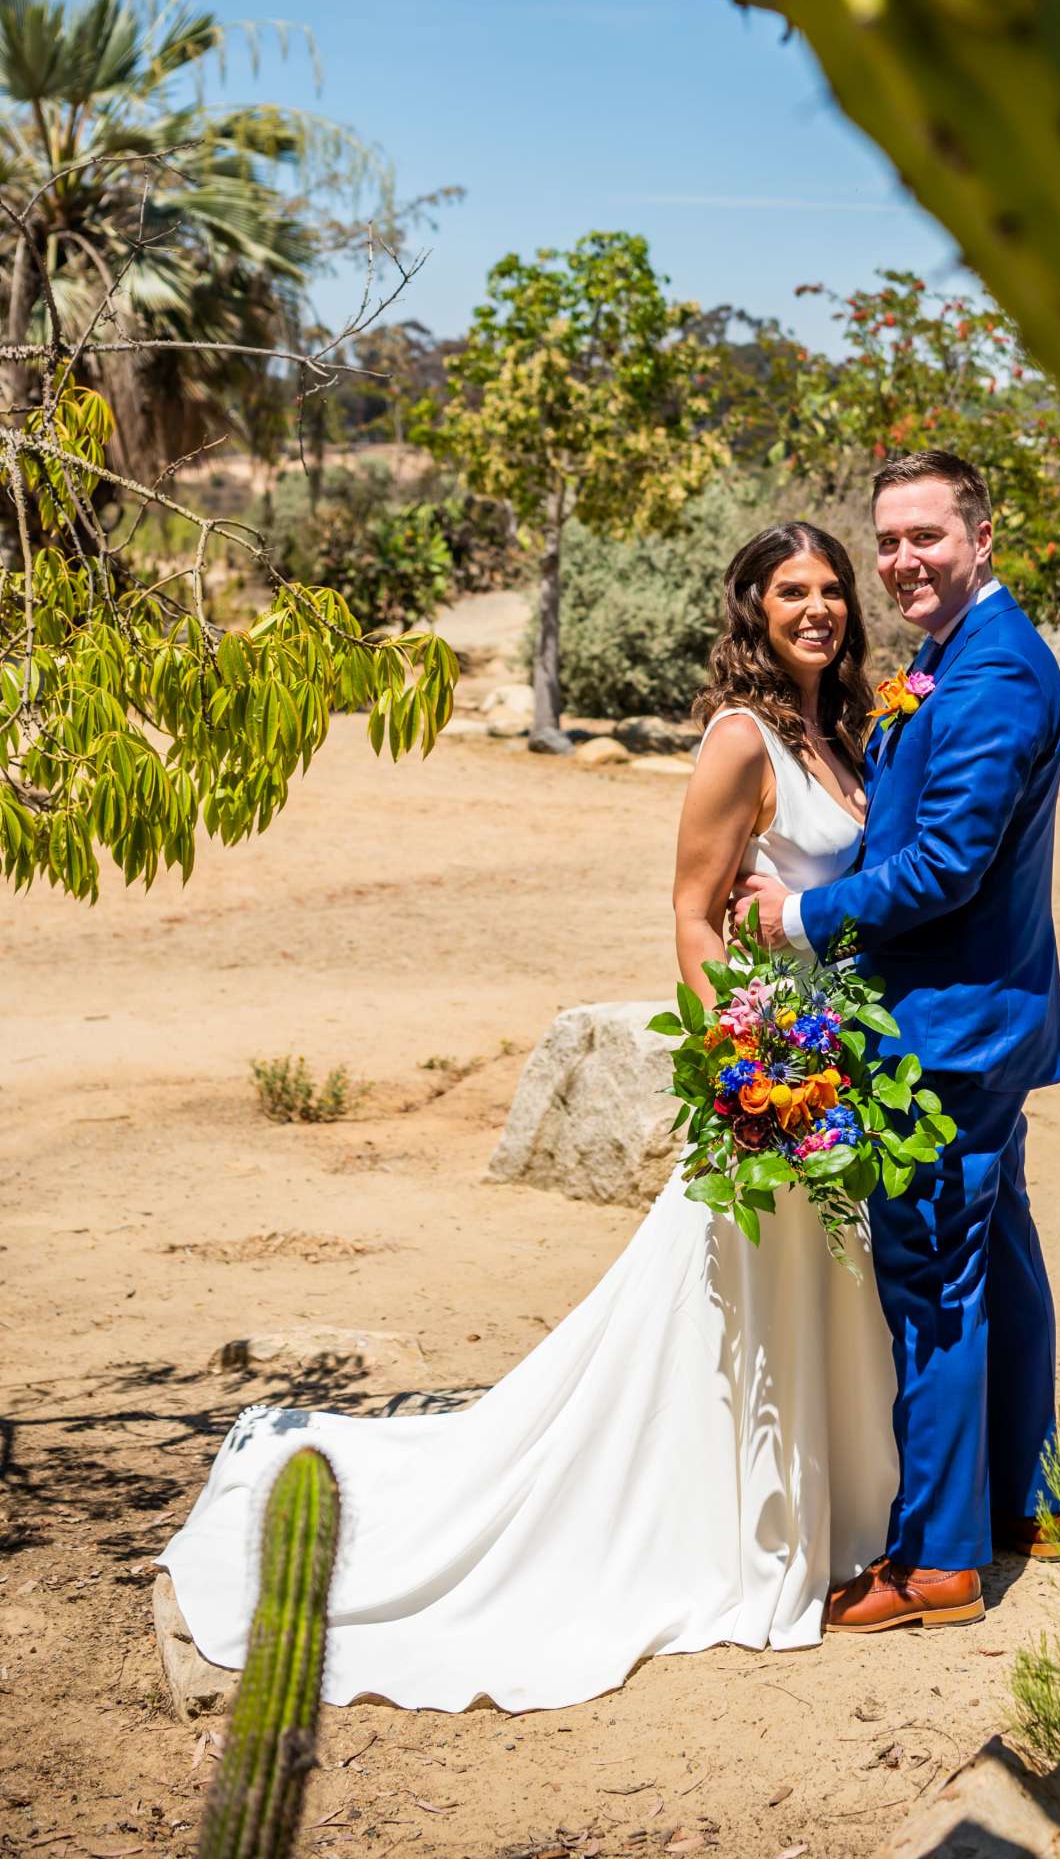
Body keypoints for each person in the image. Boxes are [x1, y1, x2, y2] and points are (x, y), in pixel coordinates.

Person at [153, 521, 901, 1711]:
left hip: (843, 1055)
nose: (816, 610)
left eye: (830, 592)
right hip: (776, 1066)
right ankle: (728, 1527)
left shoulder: (851, 733)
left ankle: (836, 1518)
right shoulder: (739, 741)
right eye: (791, 591)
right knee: (744, 1302)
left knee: (827, 1289)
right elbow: (693, 915)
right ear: (752, 605)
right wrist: (741, 1069)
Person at [734, 448, 1060, 1634]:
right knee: (1001, 1256)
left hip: (948, 1030)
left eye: (924, 536)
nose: (900, 561)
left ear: (981, 535)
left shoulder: (991, 680)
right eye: (887, 540)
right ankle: (1022, 1497)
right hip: (977, 1015)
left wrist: (803, 915)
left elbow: (944, 865)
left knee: (932, 1278)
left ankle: (937, 1561)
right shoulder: (951, 657)